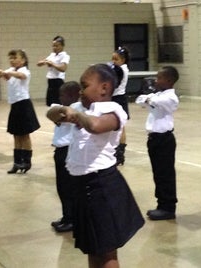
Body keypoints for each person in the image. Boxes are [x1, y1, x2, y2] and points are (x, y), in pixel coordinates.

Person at [46, 63, 144, 268]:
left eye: (85, 85)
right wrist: (63, 110)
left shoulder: (113, 109)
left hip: (102, 185)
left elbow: (97, 126)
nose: (80, 91)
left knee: (107, 251)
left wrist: (77, 115)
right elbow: (52, 115)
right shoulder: (81, 107)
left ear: (104, 88)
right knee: (93, 247)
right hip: (82, 185)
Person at [135, 66, 180, 221]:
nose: (156, 80)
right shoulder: (159, 95)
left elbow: (153, 101)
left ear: (168, 80)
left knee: (165, 174)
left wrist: (149, 99)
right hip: (154, 138)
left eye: (159, 77)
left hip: (164, 140)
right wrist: (149, 99)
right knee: (157, 173)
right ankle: (161, 204)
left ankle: (168, 207)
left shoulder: (171, 97)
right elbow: (139, 100)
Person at [0, 49, 40, 174]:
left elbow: (21, 76)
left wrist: (6, 72)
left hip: (24, 104)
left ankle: (26, 161)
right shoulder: (10, 71)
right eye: (10, 58)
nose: (12, 60)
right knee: (16, 134)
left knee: (25, 135)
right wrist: (0, 73)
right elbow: (1, 74)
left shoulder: (24, 71)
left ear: (23, 60)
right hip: (14, 105)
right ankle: (17, 162)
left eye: (15, 58)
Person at [49, 81, 81, 233]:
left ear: (74, 96)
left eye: (64, 95)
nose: (60, 97)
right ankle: (66, 216)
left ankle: (71, 219)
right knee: (61, 186)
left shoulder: (76, 109)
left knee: (68, 187)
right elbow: (52, 113)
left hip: (68, 150)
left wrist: (62, 112)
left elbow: (60, 116)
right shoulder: (62, 108)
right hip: (60, 150)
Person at [110, 46, 130, 165]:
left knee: (120, 127)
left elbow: (115, 85)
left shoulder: (121, 70)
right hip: (116, 98)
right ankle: (117, 152)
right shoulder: (120, 68)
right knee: (116, 127)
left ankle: (120, 153)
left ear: (123, 60)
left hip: (118, 99)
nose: (113, 61)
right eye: (112, 58)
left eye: (116, 59)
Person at [37, 35, 70, 106]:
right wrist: (44, 62)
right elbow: (38, 64)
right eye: (53, 46)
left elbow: (63, 68)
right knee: (50, 103)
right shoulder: (52, 55)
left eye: (56, 46)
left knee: (58, 103)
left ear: (62, 46)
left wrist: (52, 64)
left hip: (58, 81)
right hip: (50, 81)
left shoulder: (65, 56)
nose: (54, 48)